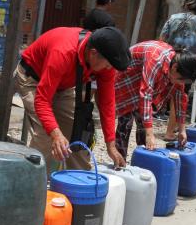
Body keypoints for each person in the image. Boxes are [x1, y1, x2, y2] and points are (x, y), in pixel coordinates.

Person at [14, 26, 129, 174]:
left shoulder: (106, 61)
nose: (108, 69)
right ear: (93, 54)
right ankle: (33, 183)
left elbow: (107, 103)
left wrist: (111, 144)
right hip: (32, 79)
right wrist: (55, 134)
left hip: (63, 85)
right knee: (46, 134)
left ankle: (81, 179)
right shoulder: (63, 52)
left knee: (77, 130)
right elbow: (42, 101)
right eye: (107, 65)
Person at [114, 41, 196, 159]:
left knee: (143, 126)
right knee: (125, 124)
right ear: (174, 67)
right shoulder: (155, 59)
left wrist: (182, 130)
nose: (180, 83)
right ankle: (119, 163)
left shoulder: (177, 66)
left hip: (142, 84)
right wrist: (150, 134)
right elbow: (146, 95)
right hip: (127, 81)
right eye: (180, 79)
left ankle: (143, 160)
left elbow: (180, 97)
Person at [160, 0, 196, 140]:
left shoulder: (173, 18)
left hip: (169, 61)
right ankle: (170, 132)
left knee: (171, 94)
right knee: (178, 95)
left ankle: (174, 127)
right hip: (187, 63)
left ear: (186, 5)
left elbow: (162, 39)